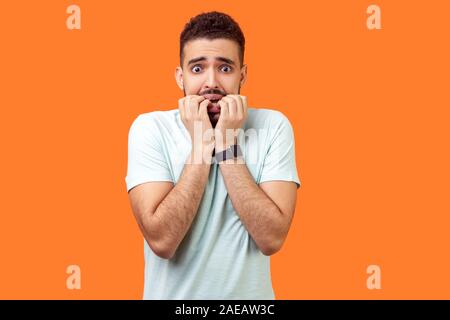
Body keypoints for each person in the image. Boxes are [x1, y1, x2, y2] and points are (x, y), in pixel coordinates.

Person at [125, 11, 301, 299]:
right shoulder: (149, 129)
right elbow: (163, 240)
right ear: (179, 76)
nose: (211, 83)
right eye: (197, 69)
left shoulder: (273, 126)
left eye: (225, 68)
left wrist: (227, 144)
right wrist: (201, 144)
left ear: (242, 74)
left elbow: (271, 238)